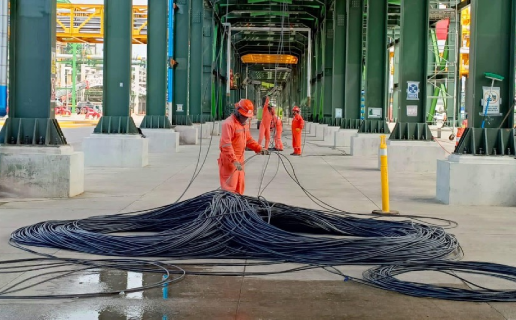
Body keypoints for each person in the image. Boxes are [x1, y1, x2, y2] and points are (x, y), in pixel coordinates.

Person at [218, 99, 270, 195]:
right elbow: (226, 145)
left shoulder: (244, 124)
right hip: (229, 161)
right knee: (230, 191)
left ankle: (237, 209)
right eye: (244, 116)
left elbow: (248, 140)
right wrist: (234, 160)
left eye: (247, 117)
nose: (245, 119)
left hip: (240, 160)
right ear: (237, 111)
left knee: (239, 187)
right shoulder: (228, 124)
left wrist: (259, 148)